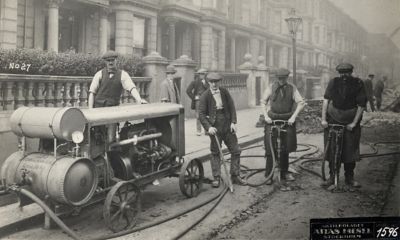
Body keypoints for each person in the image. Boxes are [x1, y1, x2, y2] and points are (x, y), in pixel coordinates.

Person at [321, 63, 367, 188]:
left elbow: (361, 105)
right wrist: (323, 119)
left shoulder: (358, 83)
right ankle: (332, 176)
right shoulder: (333, 82)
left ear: (351, 72)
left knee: (350, 148)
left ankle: (349, 177)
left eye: (347, 72)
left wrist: (354, 123)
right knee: (331, 148)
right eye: (341, 73)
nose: (344, 75)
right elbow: (326, 100)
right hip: (333, 118)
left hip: (350, 120)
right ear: (338, 73)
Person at [88, 50, 147, 141]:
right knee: (97, 136)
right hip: (98, 110)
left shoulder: (123, 75)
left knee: (111, 138)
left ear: (116, 61)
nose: (110, 62)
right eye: (108, 61)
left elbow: (131, 88)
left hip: (113, 112)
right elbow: (92, 92)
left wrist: (139, 99)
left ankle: (110, 153)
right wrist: (90, 110)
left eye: (112, 60)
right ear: (105, 62)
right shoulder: (99, 74)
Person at [261, 68, 305, 186]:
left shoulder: (292, 88)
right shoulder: (271, 87)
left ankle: (284, 172)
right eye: (279, 78)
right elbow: (263, 102)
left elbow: (301, 103)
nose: (281, 80)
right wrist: (266, 116)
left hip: (287, 119)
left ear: (287, 78)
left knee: (285, 147)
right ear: (277, 78)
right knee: (270, 147)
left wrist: (293, 117)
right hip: (272, 119)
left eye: (284, 78)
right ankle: (268, 175)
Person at [198, 72, 242, 188]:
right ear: (208, 83)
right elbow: (201, 114)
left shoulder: (224, 92)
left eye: (216, 82)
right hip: (215, 126)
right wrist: (209, 128)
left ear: (219, 82)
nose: (214, 84)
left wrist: (233, 122)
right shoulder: (204, 96)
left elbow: (232, 106)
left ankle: (235, 175)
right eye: (211, 82)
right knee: (215, 152)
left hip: (227, 124)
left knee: (236, 150)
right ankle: (216, 177)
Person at [186, 68, 209, 136]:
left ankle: (207, 130)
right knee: (198, 116)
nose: (202, 76)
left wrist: (205, 84)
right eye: (201, 74)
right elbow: (188, 91)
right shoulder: (195, 82)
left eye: (204, 74)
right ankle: (198, 131)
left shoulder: (207, 82)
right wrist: (194, 98)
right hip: (198, 101)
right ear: (199, 75)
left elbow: (209, 90)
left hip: (205, 100)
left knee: (206, 115)